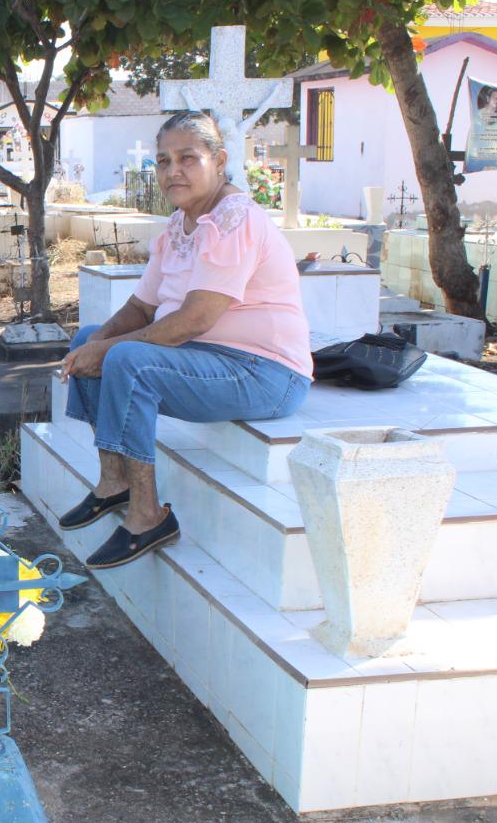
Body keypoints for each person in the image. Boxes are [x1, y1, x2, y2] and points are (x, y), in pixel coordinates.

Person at [57, 111, 311, 569]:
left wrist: (110, 350)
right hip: (210, 358)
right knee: (94, 336)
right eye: (163, 160)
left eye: (188, 158)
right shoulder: (180, 225)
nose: (173, 170)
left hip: (265, 373)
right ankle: (114, 483)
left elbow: (194, 320)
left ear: (219, 161)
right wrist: (91, 346)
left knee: (127, 358)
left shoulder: (234, 221)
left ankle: (148, 516)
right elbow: (140, 308)